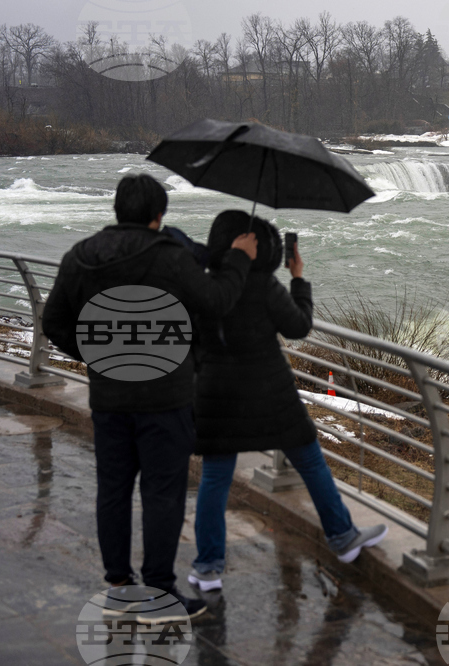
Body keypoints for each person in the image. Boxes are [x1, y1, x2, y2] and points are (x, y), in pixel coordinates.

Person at [42, 174, 258, 620]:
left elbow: (55, 323)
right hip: (166, 397)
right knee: (163, 493)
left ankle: (120, 586)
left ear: (118, 210)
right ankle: (159, 591)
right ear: (159, 216)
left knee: (113, 490)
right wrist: (239, 259)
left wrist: (101, 355)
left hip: (109, 398)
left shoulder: (79, 256)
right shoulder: (172, 258)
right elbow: (217, 301)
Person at [189, 210, 386, 592]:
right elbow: (298, 327)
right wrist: (298, 279)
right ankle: (342, 537)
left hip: (217, 394)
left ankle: (208, 566)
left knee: (215, 479)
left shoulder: (206, 285)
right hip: (270, 391)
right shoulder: (264, 285)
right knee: (310, 461)